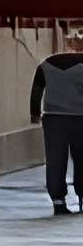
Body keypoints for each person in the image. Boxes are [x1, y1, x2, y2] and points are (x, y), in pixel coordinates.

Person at [36, 39, 83, 214]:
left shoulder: (47, 64)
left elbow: (37, 88)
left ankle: (58, 202)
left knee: (55, 160)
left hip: (54, 118)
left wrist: (34, 111)